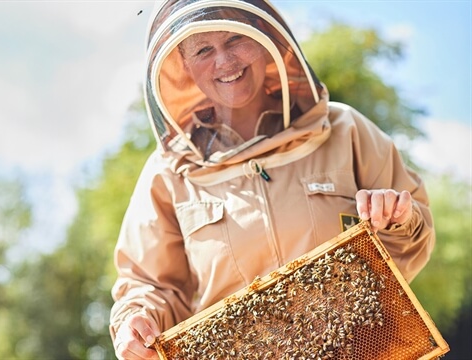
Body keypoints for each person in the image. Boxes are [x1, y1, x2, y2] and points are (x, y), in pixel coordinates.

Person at [109, 1, 435, 359]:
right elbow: (151, 285)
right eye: (204, 49)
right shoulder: (168, 174)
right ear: (184, 66)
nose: (225, 61)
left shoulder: (344, 130)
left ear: (263, 37)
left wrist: (397, 218)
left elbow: (410, 242)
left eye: (235, 38)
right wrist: (135, 320)